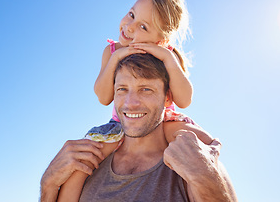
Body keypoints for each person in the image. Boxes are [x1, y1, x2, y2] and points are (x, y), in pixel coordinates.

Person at [56, 0, 213, 201]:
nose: (129, 27)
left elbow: (184, 100)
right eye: (131, 15)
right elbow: (103, 97)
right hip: (122, 123)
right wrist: (116, 57)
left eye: (143, 26)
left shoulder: (168, 53)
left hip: (161, 121)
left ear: (162, 38)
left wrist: (167, 57)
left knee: (197, 142)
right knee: (84, 161)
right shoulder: (111, 51)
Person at [40, 53, 237, 202]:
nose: (130, 103)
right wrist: (48, 185)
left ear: (167, 97)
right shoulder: (88, 160)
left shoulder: (193, 160)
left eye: (146, 89)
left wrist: (204, 178)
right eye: (122, 89)